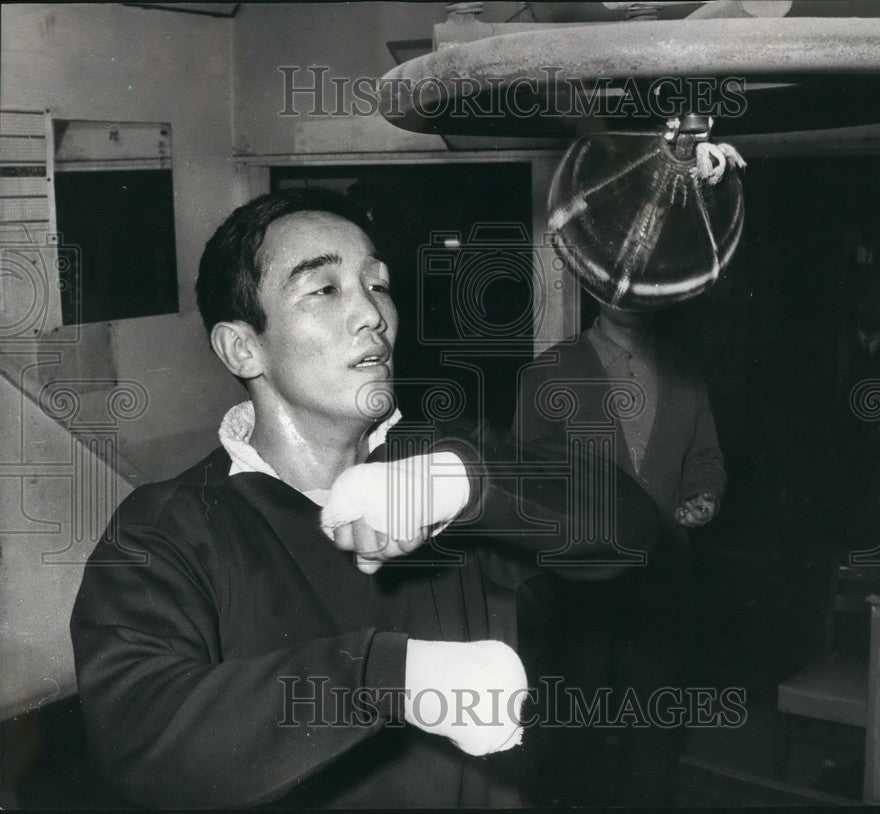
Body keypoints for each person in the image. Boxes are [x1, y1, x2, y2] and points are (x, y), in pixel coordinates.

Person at [69, 189, 663, 809]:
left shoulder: (442, 468)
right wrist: (390, 676)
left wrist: (461, 483)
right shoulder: (167, 528)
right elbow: (136, 736)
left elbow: (634, 529)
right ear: (243, 348)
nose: (373, 315)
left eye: (378, 285)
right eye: (325, 290)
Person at [514, 300, 726, 806]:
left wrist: (705, 497)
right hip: (576, 589)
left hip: (663, 585)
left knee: (653, 737)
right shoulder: (549, 372)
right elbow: (527, 474)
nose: (633, 295)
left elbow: (705, 459)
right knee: (570, 738)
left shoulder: (685, 373)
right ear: (595, 279)